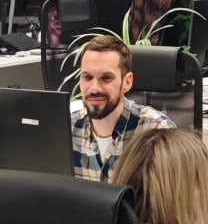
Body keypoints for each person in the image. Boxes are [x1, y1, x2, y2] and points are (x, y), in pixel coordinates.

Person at [70, 33, 173, 181]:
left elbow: (172, 194)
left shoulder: (156, 131)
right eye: (87, 77)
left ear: (127, 82)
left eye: (106, 78)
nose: (94, 88)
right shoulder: (67, 129)